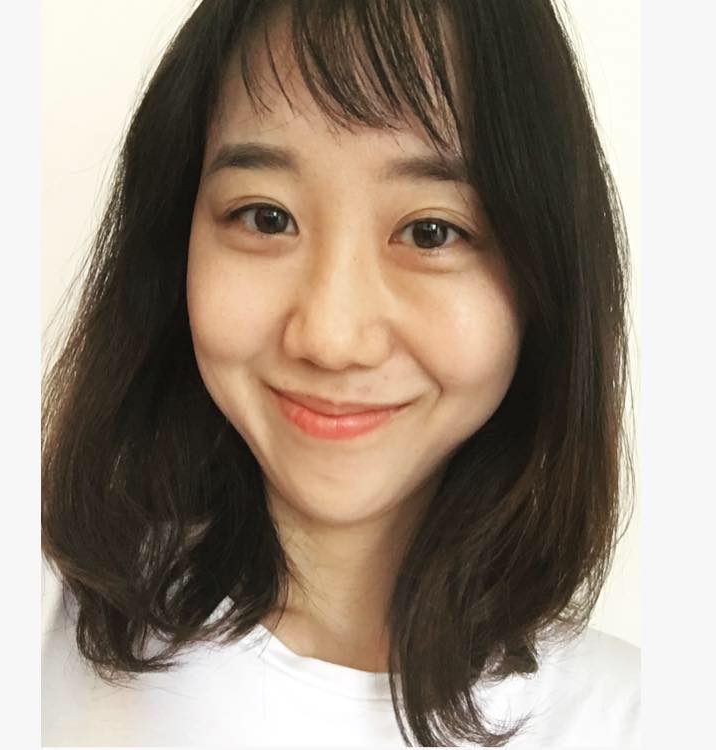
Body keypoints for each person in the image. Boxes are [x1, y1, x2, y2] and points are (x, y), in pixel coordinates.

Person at [41, 0, 640, 746]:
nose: (330, 337)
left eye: (431, 232)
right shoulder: (35, 628)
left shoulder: (637, 719)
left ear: (544, 274)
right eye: (266, 217)